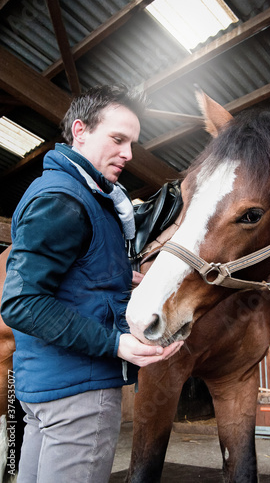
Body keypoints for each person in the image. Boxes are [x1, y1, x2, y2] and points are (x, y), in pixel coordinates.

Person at [0, 85, 183, 483]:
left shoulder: (72, 193)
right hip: (79, 396)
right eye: (117, 139)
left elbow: (68, 278)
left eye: (132, 142)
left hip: (42, 390)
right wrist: (116, 343)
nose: (129, 154)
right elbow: (21, 303)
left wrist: (122, 278)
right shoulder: (66, 199)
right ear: (79, 131)